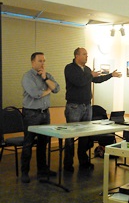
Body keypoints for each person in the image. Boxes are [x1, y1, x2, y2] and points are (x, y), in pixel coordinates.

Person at [63, 47, 122, 172]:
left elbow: (96, 79)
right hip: (74, 106)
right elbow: (79, 82)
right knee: (70, 136)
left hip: (86, 106)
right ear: (77, 56)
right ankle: (68, 164)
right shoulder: (70, 68)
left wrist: (111, 75)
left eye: (87, 54)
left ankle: (83, 161)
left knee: (85, 135)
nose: (86, 56)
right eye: (84, 54)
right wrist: (90, 75)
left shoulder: (87, 69)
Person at [21, 52, 60, 183]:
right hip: (31, 114)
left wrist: (45, 79)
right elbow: (35, 94)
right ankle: (24, 172)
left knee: (44, 142)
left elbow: (57, 88)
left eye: (44, 61)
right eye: (40, 61)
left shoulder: (47, 75)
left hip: (44, 113)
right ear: (33, 62)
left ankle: (42, 169)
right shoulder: (27, 77)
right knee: (28, 143)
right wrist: (48, 90)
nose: (42, 63)